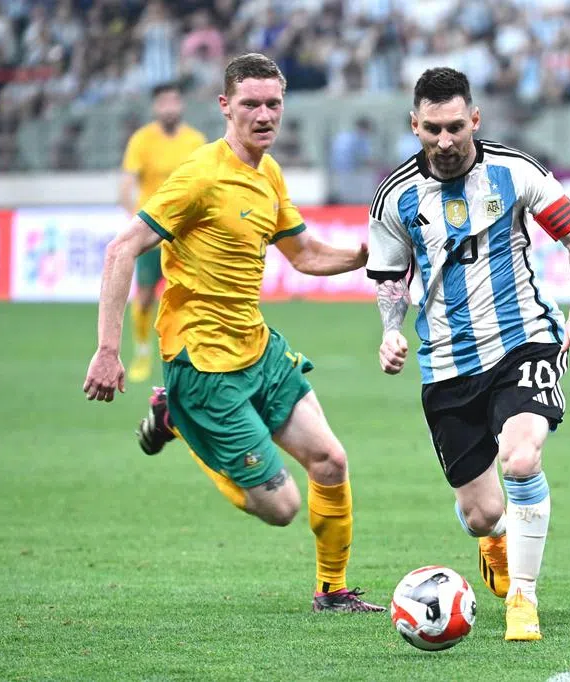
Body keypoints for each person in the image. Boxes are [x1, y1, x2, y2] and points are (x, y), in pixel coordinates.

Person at [83, 53, 383, 614]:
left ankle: (332, 591)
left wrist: (363, 258)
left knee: (330, 461)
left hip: (257, 348)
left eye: (273, 104)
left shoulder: (268, 172)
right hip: (204, 366)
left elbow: (304, 254)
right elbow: (121, 249)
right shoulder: (199, 175)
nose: (264, 115)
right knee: (282, 507)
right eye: (251, 104)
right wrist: (107, 350)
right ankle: (177, 418)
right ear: (225, 106)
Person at [366, 67, 570, 641]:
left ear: (475, 119)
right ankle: (496, 540)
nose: (445, 140)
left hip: (523, 339)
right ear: (415, 125)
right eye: (433, 129)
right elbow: (389, 277)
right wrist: (391, 331)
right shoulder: (394, 195)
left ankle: (523, 598)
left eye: (456, 126)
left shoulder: (515, 171)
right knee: (480, 514)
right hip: (447, 361)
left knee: (521, 458)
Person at [120, 81, 207, 383]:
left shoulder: (195, 141)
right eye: (164, 102)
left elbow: (205, 184)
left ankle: (191, 354)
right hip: (152, 232)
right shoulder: (142, 140)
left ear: (181, 105)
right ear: (155, 107)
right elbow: (127, 185)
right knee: (145, 296)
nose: (169, 107)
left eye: (174, 101)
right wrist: (135, 221)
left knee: (190, 298)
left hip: (185, 236)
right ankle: (142, 352)